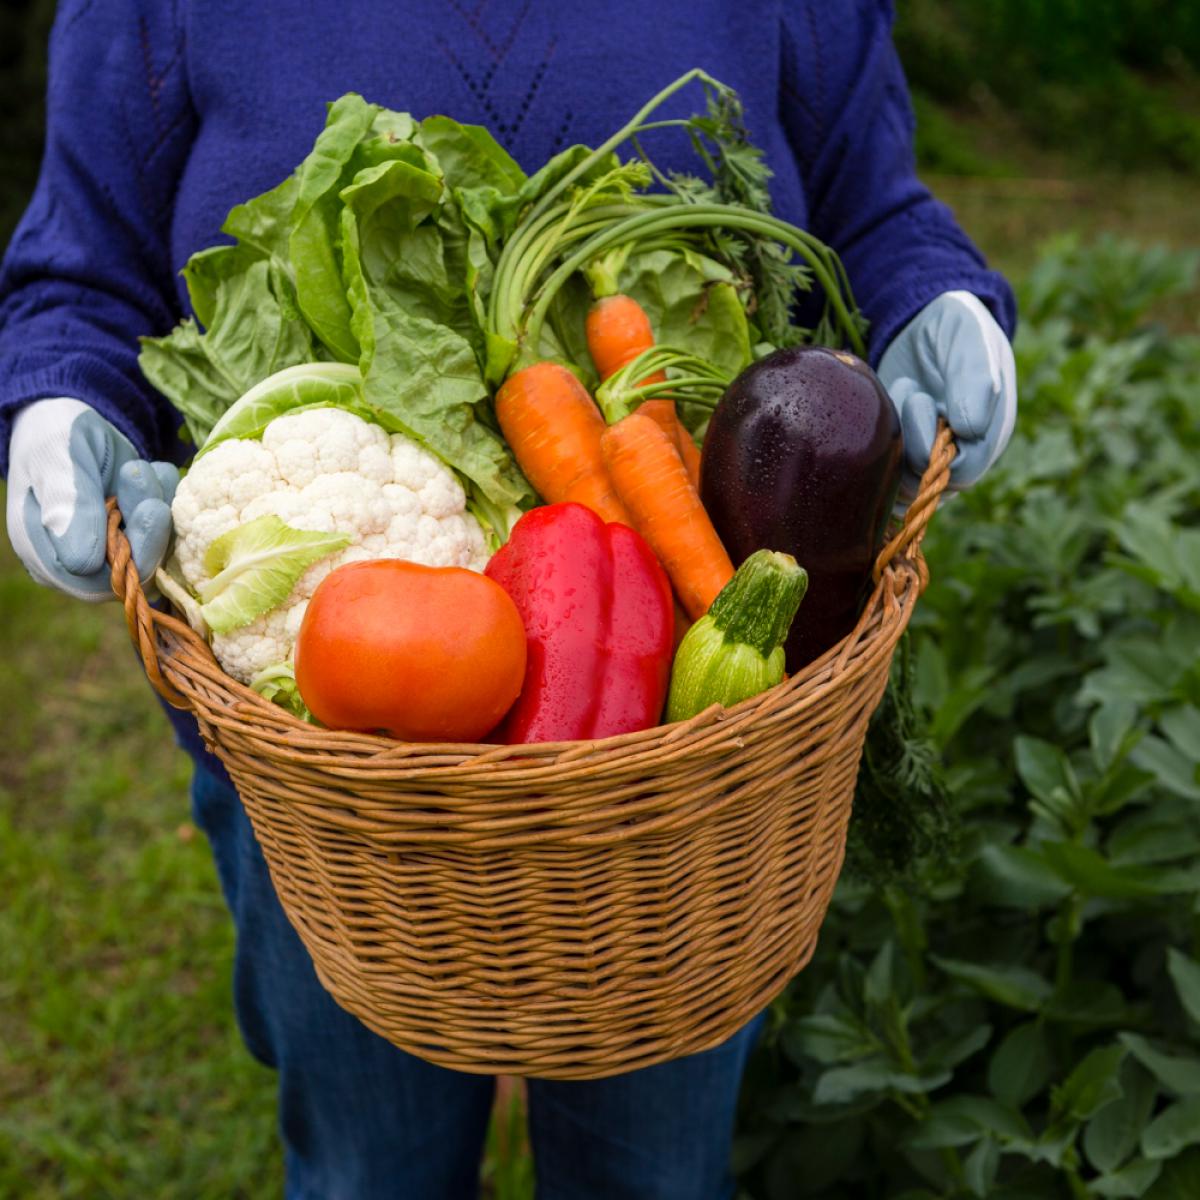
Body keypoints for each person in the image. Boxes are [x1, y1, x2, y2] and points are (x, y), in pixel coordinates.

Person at [0, 2, 1017, 1196]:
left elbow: (873, 209)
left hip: (689, 799)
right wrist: (61, 405)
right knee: (370, 1171)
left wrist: (931, 299)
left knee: (656, 1179)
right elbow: (80, 277)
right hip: (334, 803)